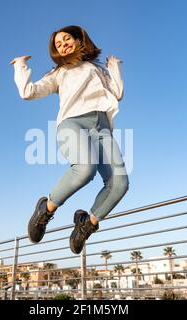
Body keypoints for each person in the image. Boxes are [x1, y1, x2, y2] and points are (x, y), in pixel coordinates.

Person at [9, 25, 129, 254]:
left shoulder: (98, 69)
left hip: (102, 127)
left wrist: (114, 67)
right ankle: (45, 210)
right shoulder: (58, 73)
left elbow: (118, 93)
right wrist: (20, 66)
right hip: (72, 123)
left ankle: (86, 225)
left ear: (77, 39)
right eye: (58, 45)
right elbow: (28, 92)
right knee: (84, 169)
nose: (63, 45)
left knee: (120, 183)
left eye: (66, 39)